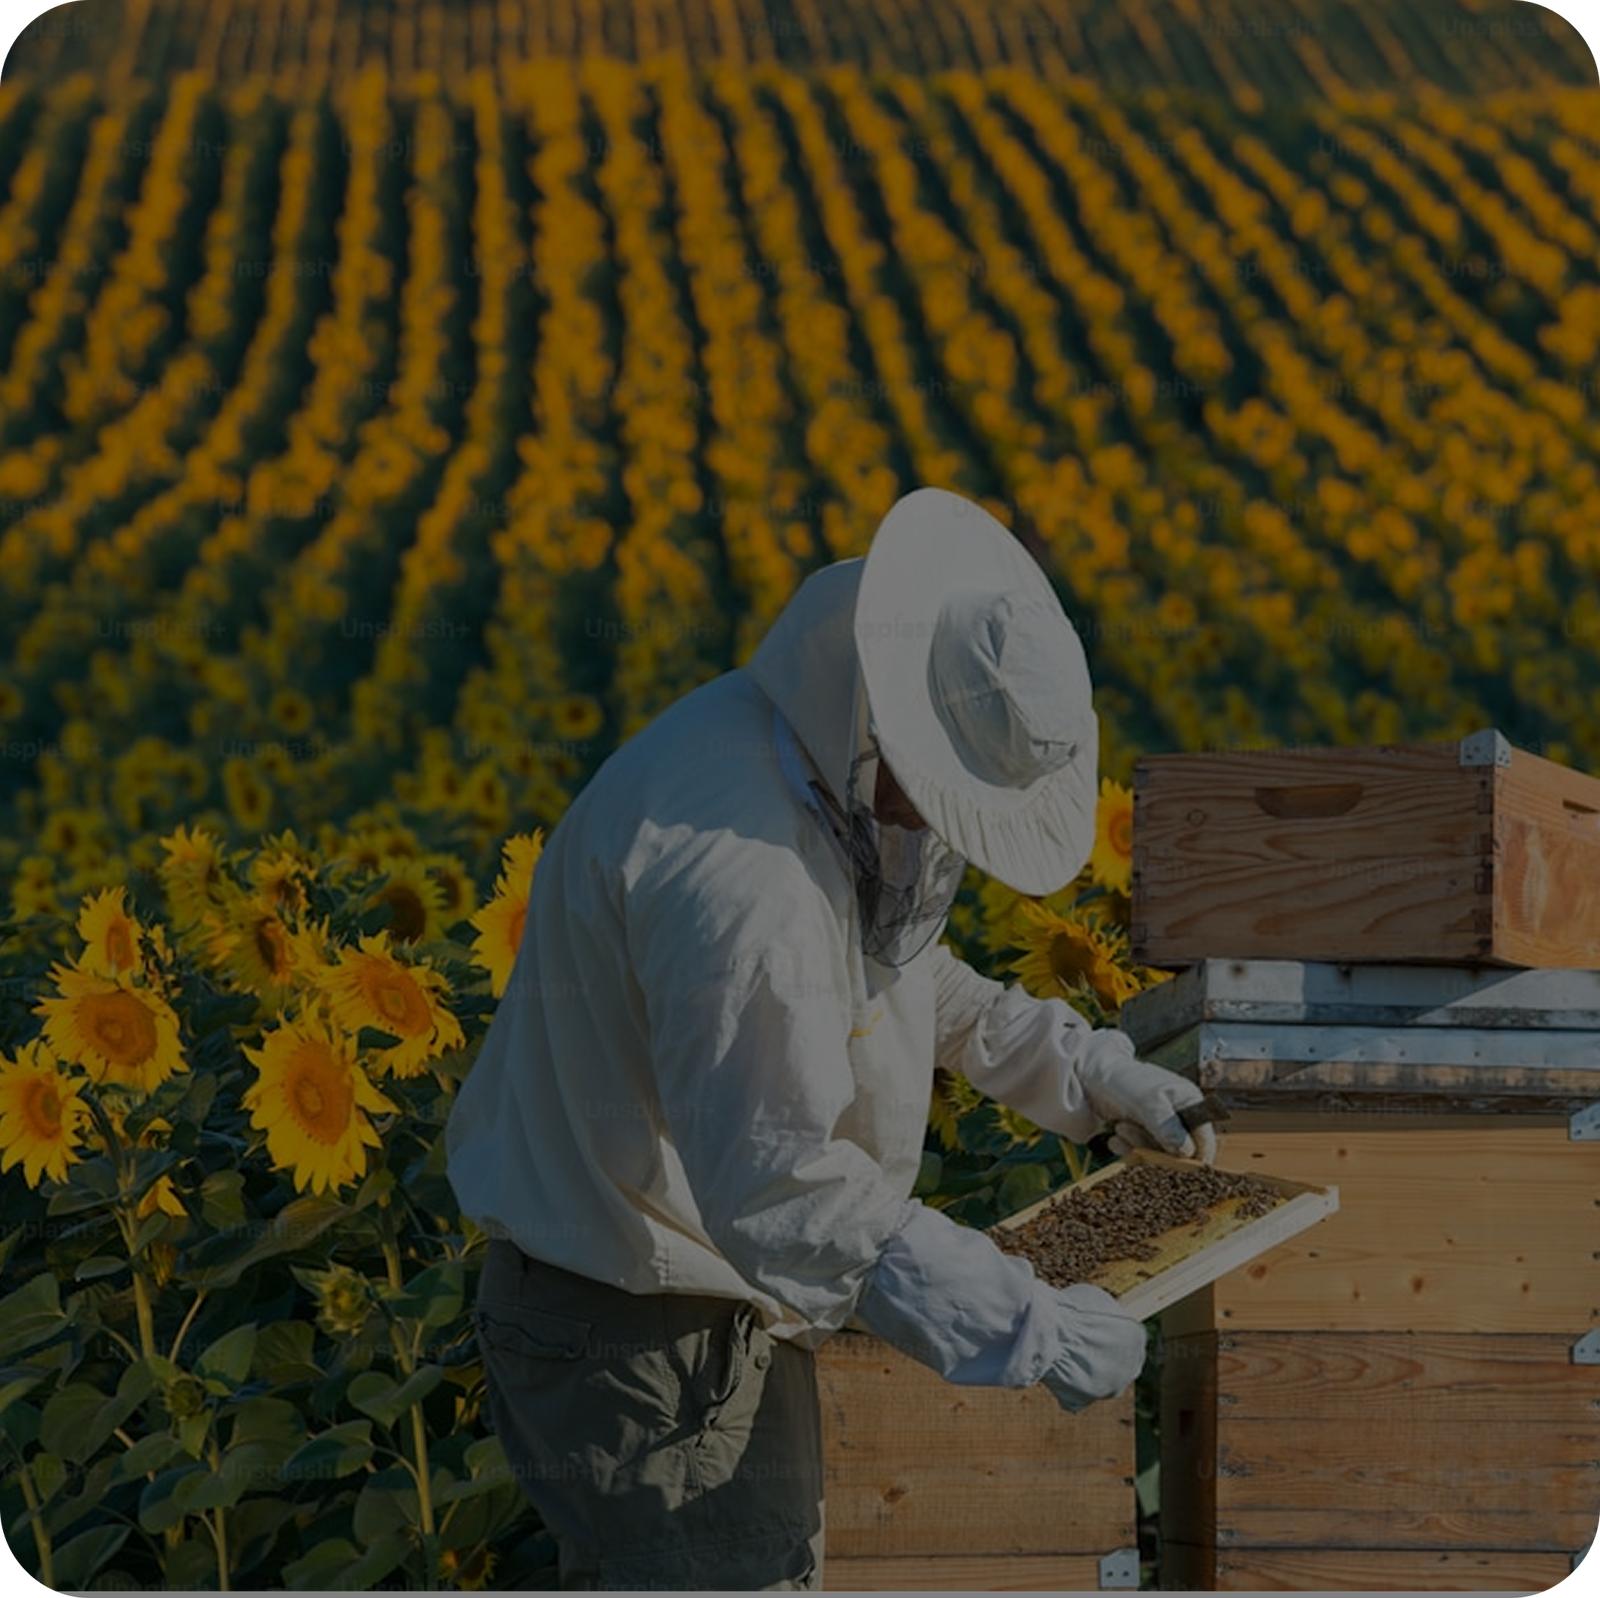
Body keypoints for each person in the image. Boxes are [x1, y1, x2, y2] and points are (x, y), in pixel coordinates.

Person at [445, 486, 1217, 1590]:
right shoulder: (741, 876)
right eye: (944, 794)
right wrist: (1027, 1326)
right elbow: (783, 1185)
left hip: (682, 1310)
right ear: (894, 720)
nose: (939, 826)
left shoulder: (792, 754)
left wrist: (1082, 1069)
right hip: (646, 1330)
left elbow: (892, 977)